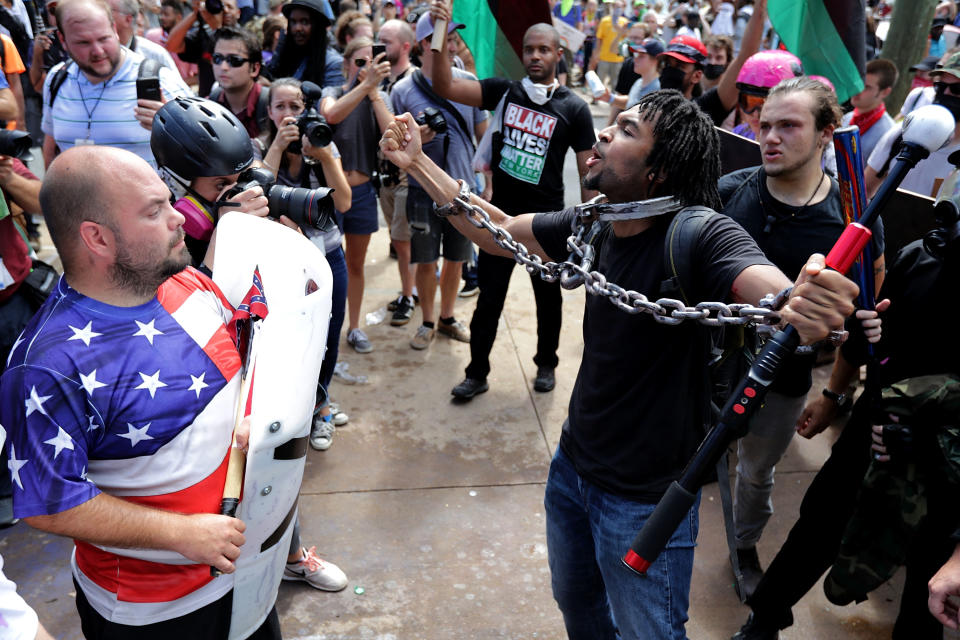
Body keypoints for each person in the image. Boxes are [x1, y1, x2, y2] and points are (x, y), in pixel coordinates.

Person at [379, 88, 859, 639]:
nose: (604, 133)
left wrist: (803, 297)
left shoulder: (700, 231)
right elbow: (500, 233)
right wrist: (417, 162)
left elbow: (768, 287)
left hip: (646, 499)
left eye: (627, 130)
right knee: (579, 608)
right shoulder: (600, 219)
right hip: (572, 470)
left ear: (659, 172)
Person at [0, 144, 284, 637]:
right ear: (98, 238)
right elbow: (49, 502)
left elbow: (228, 358)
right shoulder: (47, 367)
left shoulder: (183, 279)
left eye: (168, 200)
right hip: (152, 611)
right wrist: (180, 534)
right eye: (155, 211)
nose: (179, 219)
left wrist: (247, 416)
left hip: (245, 573)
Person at [732, 166, 960, 640]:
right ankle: (765, 617)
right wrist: (834, 396)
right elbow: (867, 338)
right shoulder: (922, 257)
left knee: (930, 572)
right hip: (872, 432)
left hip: (946, 467)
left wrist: (924, 427)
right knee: (819, 524)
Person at [148, 97, 350, 594]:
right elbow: (190, 318)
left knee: (277, 463)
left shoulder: (238, 200)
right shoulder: (159, 236)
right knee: (218, 491)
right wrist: (224, 232)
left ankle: (291, 554)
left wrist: (278, 232)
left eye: (242, 178)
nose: (238, 191)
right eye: (221, 186)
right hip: (200, 391)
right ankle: (216, 581)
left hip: (258, 367)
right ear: (179, 186)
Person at [718, 76, 886, 600]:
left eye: (788, 126)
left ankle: (743, 545)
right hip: (707, 365)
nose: (770, 136)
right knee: (697, 452)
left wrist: (834, 392)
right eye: (764, 125)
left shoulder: (853, 221)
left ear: (825, 135)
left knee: (755, 473)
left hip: (784, 380)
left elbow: (863, 318)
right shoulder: (728, 193)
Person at [427, 12, 597, 398]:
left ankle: (546, 364)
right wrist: (440, 30)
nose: (534, 56)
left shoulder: (574, 108)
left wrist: (591, 229)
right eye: (528, 50)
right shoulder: (504, 91)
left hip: (547, 223)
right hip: (498, 222)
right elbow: (443, 84)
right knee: (489, 300)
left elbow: (589, 173)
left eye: (543, 50)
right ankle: (476, 373)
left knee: (547, 300)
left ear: (558, 53)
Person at [259, 77, 353, 449]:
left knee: (329, 338)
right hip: (282, 264)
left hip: (328, 257)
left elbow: (344, 202)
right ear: (268, 112)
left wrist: (325, 154)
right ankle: (298, 408)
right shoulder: (257, 148)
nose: (288, 115)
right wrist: (278, 148)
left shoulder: (321, 142)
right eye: (279, 106)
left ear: (306, 109)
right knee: (289, 340)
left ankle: (321, 406)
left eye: (294, 107)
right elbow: (255, 194)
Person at [390, 13, 485, 350]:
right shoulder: (401, 89)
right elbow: (389, 144)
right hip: (420, 189)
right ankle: (428, 320)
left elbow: (482, 134)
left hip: (462, 189)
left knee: (457, 259)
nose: (450, 45)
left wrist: (486, 177)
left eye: (454, 38)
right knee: (425, 260)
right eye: (443, 38)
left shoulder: (467, 81)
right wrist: (418, 139)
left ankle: (447, 317)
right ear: (424, 44)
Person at [40, 0, 190, 168]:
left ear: (114, 29)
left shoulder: (160, 80)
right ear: (63, 39)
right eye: (83, 42)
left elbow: (206, 149)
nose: (97, 51)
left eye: (103, 38)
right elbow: (51, 148)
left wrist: (174, 127)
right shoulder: (57, 78)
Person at [320, 35, 392, 353]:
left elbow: (393, 139)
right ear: (346, 64)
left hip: (362, 193)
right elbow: (331, 114)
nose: (366, 69)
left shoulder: (378, 97)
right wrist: (365, 85)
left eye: (372, 63)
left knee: (356, 264)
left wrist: (374, 92)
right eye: (360, 63)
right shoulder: (332, 92)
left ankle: (355, 326)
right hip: (330, 194)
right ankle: (325, 327)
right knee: (325, 264)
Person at [866, 51, 960, 199]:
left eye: (957, 89)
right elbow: (863, 191)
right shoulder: (903, 134)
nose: (946, 93)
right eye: (940, 86)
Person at [376, 18, 418, 326]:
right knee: (398, 240)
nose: (379, 47)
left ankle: (408, 296)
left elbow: (401, 133)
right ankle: (410, 290)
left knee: (405, 244)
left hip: (405, 178)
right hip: (385, 178)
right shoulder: (381, 81)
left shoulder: (413, 82)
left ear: (405, 46)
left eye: (385, 42)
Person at [165, 0, 241, 97]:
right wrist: (196, 13)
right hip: (207, 101)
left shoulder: (244, 38)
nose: (225, 10)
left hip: (232, 99)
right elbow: (172, 45)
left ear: (238, 13)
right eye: (221, 6)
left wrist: (216, 29)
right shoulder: (204, 35)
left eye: (229, 7)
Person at [209, 26, 269, 139]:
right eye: (217, 58)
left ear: (254, 69)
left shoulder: (273, 106)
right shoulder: (210, 104)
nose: (223, 67)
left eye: (234, 60)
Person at [267, 0, 343, 89]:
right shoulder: (287, 57)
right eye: (293, 22)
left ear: (317, 26)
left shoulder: (333, 63)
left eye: (304, 22)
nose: (297, 28)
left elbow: (332, 101)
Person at [729, 49, 803, 141]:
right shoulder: (740, 134)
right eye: (750, 103)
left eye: (765, 105)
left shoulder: (799, 146)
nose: (756, 114)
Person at [841, 58, 898, 162]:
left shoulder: (888, 133)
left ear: (885, 92)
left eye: (866, 87)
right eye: (858, 82)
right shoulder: (845, 118)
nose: (858, 89)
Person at [107, 0, 182, 75]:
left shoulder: (154, 54)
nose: (102, 14)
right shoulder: (98, 52)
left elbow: (178, 85)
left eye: (109, 10)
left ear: (128, 19)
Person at [144, 0, 199, 87]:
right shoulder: (151, 36)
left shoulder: (190, 40)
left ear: (179, 17)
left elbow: (197, 78)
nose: (162, 17)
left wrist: (174, 85)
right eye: (160, 14)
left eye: (166, 14)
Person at [589, 0, 628, 90]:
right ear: (613, 7)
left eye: (620, 7)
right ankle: (596, 98)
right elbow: (599, 38)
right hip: (604, 56)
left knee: (615, 82)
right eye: (616, 7)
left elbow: (627, 38)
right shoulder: (605, 20)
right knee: (600, 79)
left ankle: (614, 101)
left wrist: (620, 29)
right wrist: (596, 54)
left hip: (618, 58)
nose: (618, 9)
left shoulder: (625, 22)